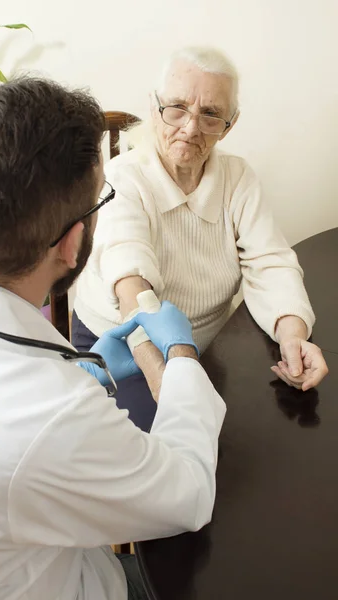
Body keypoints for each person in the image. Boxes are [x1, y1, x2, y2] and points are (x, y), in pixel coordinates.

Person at [0, 78, 226, 600]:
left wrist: (84, 367)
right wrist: (182, 356)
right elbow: (187, 495)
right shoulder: (51, 416)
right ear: (72, 243)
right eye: (100, 202)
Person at [73, 46, 328, 431]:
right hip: (124, 344)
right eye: (176, 107)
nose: (190, 128)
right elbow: (132, 290)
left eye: (210, 114)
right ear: (154, 105)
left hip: (206, 344)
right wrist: (166, 378)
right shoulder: (124, 178)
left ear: (230, 123)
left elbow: (269, 263)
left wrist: (294, 336)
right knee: (166, 452)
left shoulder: (237, 178)